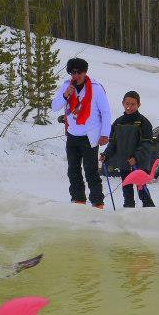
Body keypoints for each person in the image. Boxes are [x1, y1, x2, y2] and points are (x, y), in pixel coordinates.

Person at [52, 57, 111, 208]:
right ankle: (78, 200)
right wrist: (65, 95)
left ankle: (97, 202)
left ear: (85, 72)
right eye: (73, 72)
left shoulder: (96, 88)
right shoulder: (66, 86)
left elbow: (105, 112)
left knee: (91, 171)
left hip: (90, 136)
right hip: (72, 135)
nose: (76, 75)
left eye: (79, 72)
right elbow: (54, 106)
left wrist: (105, 134)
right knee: (73, 170)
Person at [99, 90, 156, 208]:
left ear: (139, 105)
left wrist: (136, 157)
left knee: (142, 192)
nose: (129, 107)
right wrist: (106, 155)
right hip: (124, 164)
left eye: (133, 104)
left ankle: (150, 211)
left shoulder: (144, 123)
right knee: (127, 192)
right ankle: (128, 211)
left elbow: (147, 144)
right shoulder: (118, 123)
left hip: (139, 165)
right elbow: (113, 144)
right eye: (127, 103)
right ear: (123, 104)